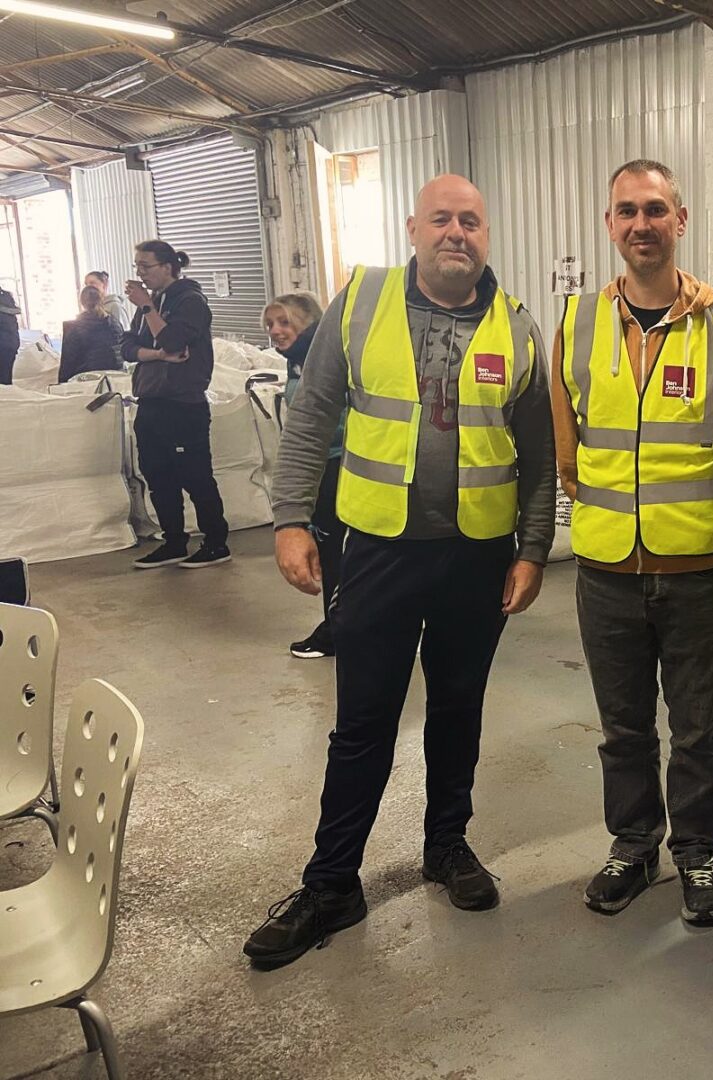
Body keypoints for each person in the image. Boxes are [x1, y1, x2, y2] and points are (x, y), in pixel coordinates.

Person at [243, 174, 555, 970]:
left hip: (478, 556)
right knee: (363, 721)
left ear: (488, 235)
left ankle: (446, 846)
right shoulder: (362, 302)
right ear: (414, 228)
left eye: (471, 221)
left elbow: (539, 456)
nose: (457, 233)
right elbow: (311, 415)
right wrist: (289, 519)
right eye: (442, 219)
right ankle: (331, 883)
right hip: (380, 550)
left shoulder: (518, 326)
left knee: (457, 708)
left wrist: (531, 549)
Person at [552, 159, 713, 925]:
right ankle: (635, 846)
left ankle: (696, 852)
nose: (640, 224)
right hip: (606, 568)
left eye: (654, 209)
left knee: (697, 730)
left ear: (680, 219)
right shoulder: (577, 325)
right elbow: (567, 450)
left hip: (697, 569)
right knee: (624, 729)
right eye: (626, 211)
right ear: (610, 225)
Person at [120, 241, 230, 569]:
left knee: (195, 476)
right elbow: (127, 347)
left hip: (183, 404)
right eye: (137, 266)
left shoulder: (190, 301)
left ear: (167, 267)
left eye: (146, 266)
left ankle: (216, 542)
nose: (140, 273)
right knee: (158, 476)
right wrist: (156, 354)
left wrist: (146, 307)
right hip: (150, 402)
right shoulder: (152, 304)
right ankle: (174, 542)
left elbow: (172, 341)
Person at [264, 292, 342, 659]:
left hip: (338, 467)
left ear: (308, 322)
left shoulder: (321, 361)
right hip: (322, 467)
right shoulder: (299, 362)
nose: (275, 331)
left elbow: (333, 421)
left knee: (338, 556)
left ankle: (337, 631)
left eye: (284, 322)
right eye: (270, 324)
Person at [59, 286, 122, 383]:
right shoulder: (115, 324)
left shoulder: (74, 328)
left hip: (86, 383)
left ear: (82, 302)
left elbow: (67, 365)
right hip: (116, 379)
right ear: (102, 300)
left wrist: (61, 384)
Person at [83, 270, 129, 341]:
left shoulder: (114, 306)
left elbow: (123, 334)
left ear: (104, 285)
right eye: (86, 284)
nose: (88, 288)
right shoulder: (90, 308)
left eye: (92, 283)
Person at [0, 285, 19, 386]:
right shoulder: (6, 295)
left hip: (7, 343)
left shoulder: (6, 296)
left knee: (5, 377)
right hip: (9, 342)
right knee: (5, 377)